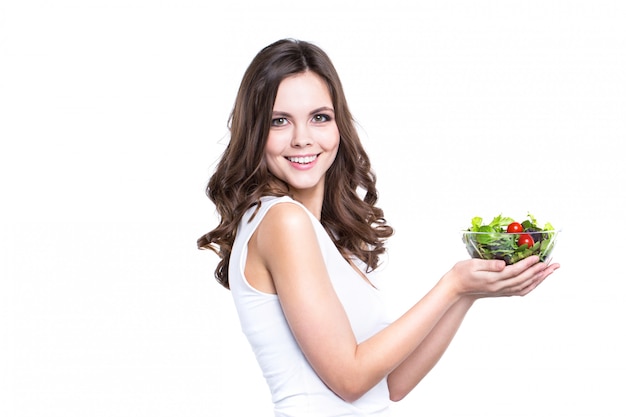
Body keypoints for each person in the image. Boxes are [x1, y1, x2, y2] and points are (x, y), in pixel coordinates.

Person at [198, 38, 560, 417]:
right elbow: (350, 380)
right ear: (254, 130)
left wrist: (466, 294)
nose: (302, 138)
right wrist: (450, 284)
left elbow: (390, 385)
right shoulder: (283, 221)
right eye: (279, 121)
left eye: (319, 117)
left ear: (339, 124)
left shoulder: (317, 233)